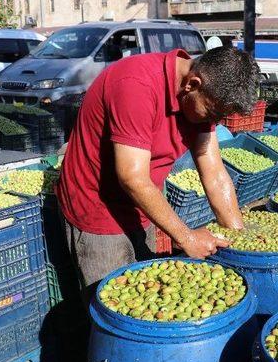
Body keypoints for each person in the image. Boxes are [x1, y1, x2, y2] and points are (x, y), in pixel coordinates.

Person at [57, 46, 260, 302]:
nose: (215, 122)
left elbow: (215, 173)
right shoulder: (136, 85)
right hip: (98, 208)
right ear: (192, 84)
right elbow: (132, 177)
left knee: (147, 296)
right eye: (212, 114)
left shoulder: (204, 96)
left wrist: (238, 237)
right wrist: (186, 237)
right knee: (117, 307)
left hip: (142, 205)